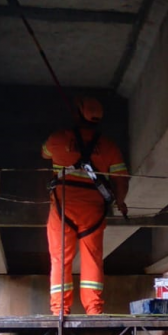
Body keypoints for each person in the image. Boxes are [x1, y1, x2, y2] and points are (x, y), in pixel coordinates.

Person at [41, 97, 129, 315]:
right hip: (93, 211)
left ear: (77, 115)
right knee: (92, 259)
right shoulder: (109, 147)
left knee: (60, 258)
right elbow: (121, 179)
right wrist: (120, 201)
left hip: (63, 207)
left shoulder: (58, 139)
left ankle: (60, 309)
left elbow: (45, 153)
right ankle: (94, 309)